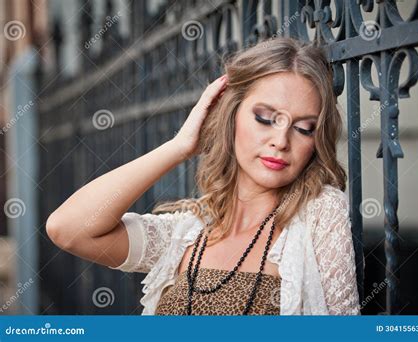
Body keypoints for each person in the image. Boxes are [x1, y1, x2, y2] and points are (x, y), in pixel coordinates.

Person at [46, 37, 361, 315]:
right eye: (265, 119)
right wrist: (179, 146)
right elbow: (68, 229)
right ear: (231, 114)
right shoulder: (184, 234)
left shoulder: (320, 213)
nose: (281, 141)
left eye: (303, 128)